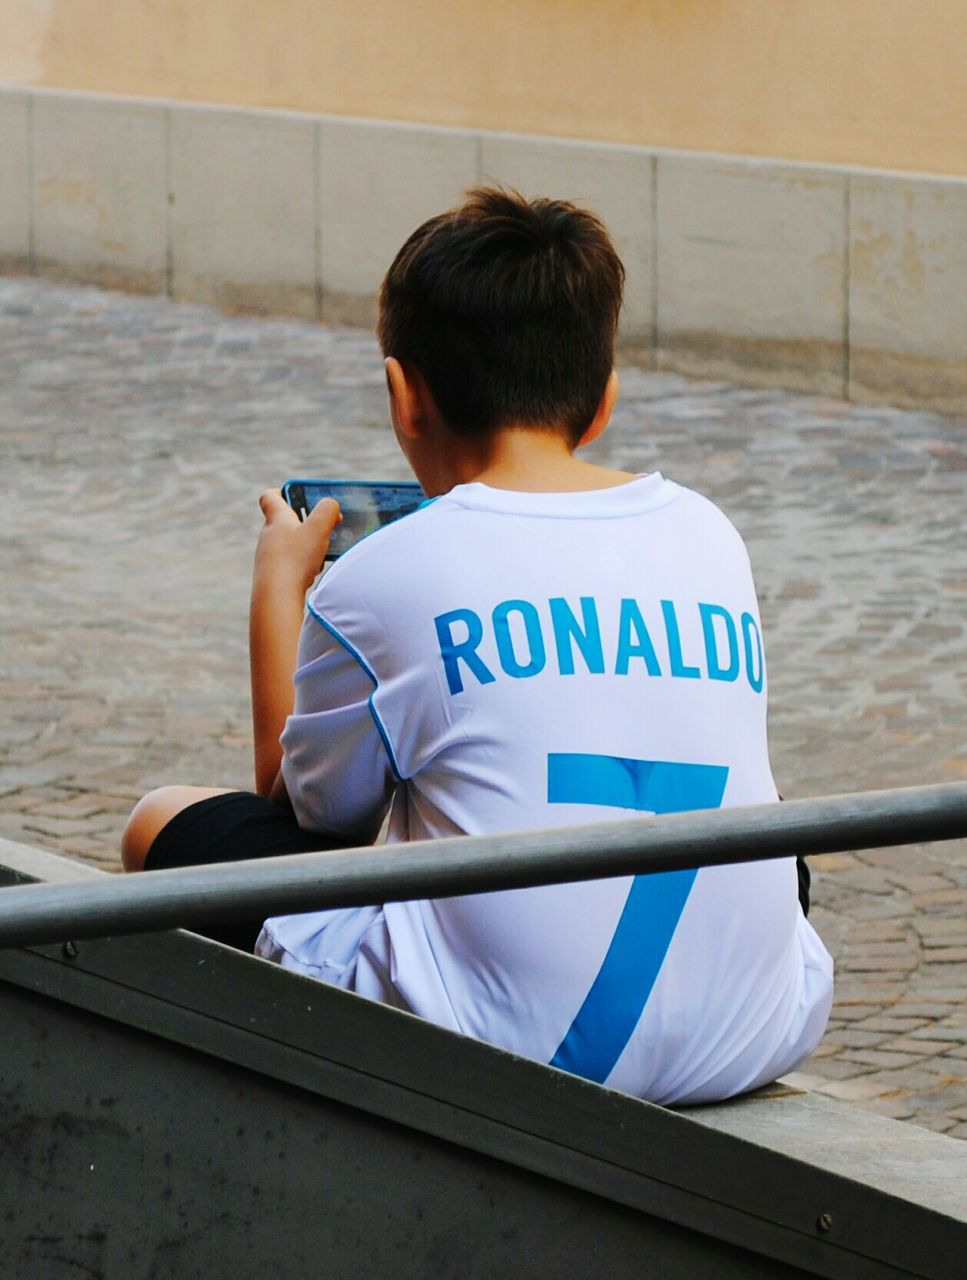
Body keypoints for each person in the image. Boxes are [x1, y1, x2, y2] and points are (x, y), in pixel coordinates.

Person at [122, 188, 832, 1105]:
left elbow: (305, 818)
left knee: (162, 820)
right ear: (603, 398)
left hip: (505, 1040)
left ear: (403, 397)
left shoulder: (384, 574)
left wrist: (278, 592)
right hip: (746, 1029)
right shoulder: (708, 532)